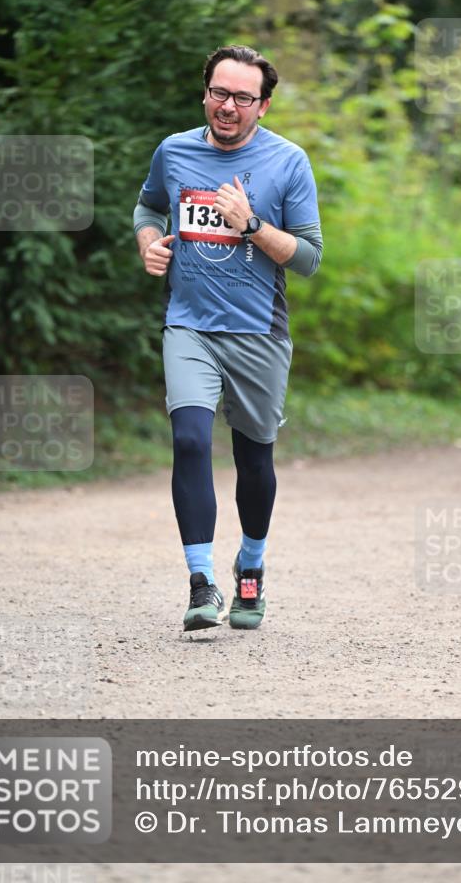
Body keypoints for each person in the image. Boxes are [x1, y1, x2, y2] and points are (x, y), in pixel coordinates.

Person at [133, 44, 322, 632]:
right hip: (189, 324)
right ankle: (200, 583)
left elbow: (310, 257)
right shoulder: (175, 151)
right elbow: (148, 207)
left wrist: (254, 226)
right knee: (190, 440)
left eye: (243, 97)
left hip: (259, 333)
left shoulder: (288, 162)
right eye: (220, 92)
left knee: (253, 457)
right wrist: (148, 242)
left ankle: (252, 569)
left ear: (263, 106)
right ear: (205, 93)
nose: (229, 105)